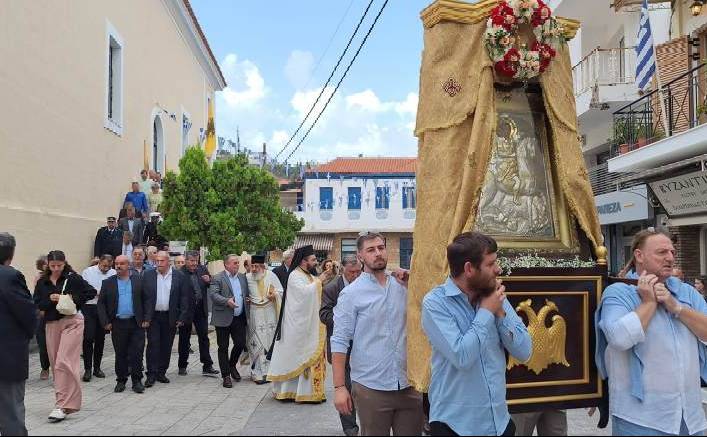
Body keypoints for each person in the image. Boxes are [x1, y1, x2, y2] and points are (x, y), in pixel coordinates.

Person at [596, 229, 707, 436]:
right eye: (662, 252)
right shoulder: (619, 292)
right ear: (639, 255)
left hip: (690, 418)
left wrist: (677, 308)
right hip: (640, 418)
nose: (670, 258)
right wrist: (649, 303)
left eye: (672, 252)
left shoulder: (686, 292)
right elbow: (618, 338)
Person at [422, 232, 532, 436]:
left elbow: (525, 351)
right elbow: (462, 356)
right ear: (469, 269)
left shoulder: (493, 295)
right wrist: (486, 312)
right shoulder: (435, 303)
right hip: (454, 426)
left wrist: (500, 313)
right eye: (490, 264)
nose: (498, 269)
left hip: (499, 423)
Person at [332, 233, 422, 435]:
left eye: (381, 248)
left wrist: (412, 285)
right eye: (371, 250)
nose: (378, 253)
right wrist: (339, 387)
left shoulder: (403, 285)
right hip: (371, 386)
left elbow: (426, 314)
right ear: (360, 256)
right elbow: (339, 341)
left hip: (408, 383)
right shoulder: (351, 294)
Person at [34, 250, 96, 423]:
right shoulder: (42, 282)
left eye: (59, 266)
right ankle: (62, 403)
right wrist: (52, 300)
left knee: (64, 361)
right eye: (52, 266)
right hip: (52, 324)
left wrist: (68, 298)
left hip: (72, 322)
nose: (55, 269)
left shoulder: (73, 278)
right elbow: (38, 303)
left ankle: (64, 404)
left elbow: (90, 292)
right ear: (47, 264)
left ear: (64, 263)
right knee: (56, 364)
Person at [267, 245, 327, 403]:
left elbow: (315, 287)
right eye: (313, 260)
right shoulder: (294, 275)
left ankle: (312, 393)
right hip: (296, 326)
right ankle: (290, 391)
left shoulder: (308, 275)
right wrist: (319, 282)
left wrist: (322, 280)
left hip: (308, 324)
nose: (316, 262)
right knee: (296, 356)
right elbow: (303, 294)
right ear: (303, 261)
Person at [319, 255, 362, 436]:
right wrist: (345, 320)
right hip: (341, 348)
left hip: (362, 346)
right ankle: (350, 427)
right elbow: (324, 314)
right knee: (345, 387)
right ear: (343, 269)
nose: (355, 275)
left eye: (358, 271)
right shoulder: (331, 288)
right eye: (352, 272)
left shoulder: (364, 284)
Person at [0, 233, 38, 436]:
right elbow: (28, 315)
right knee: (11, 415)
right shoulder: (10, 276)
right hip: (7, 358)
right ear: (11, 254)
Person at [97, 255, 150, 394]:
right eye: (116, 264)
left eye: (121, 264)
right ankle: (121, 380)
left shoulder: (139, 280)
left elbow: (147, 300)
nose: (118, 266)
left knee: (137, 353)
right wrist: (105, 322)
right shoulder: (108, 283)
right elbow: (101, 304)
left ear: (129, 265)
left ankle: (137, 381)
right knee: (120, 353)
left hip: (136, 323)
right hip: (118, 324)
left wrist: (147, 318)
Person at [142, 251, 191, 388]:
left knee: (166, 345)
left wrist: (182, 317)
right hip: (154, 316)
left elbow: (184, 298)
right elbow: (143, 297)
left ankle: (161, 372)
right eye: (156, 261)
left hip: (170, 316)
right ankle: (151, 374)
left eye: (161, 261)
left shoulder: (179, 276)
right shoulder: (148, 275)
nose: (158, 264)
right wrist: (145, 317)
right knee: (153, 344)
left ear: (168, 262)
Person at [209, 255, 250, 388]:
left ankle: (232, 365)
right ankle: (226, 375)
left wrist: (247, 300)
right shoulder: (217, 278)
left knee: (240, 343)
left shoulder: (242, 278)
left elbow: (245, 294)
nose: (237, 265)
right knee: (223, 347)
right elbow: (214, 295)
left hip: (239, 317)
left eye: (238, 263)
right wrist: (227, 301)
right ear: (226, 265)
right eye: (234, 263)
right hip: (223, 318)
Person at [178, 251, 218, 377]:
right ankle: (182, 365)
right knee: (184, 339)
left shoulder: (202, 269)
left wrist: (209, 280)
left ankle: (207, 365)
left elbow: (210, 282)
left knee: (204, 337)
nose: (194, 263)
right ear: (186, 260)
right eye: (192, 261)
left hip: (201, 309)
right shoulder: (180, 273)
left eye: (196, 261)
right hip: (186, 311)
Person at [245, 255, 283, 384]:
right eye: (252, 266)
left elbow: (281, 290)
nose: (254, 269)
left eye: (257, 266)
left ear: (262, 266)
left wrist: (275, 294)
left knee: (269, 341)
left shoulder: (271, 275)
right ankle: (256, 373)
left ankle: (270, 372)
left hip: (270, 312)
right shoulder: (247, 278)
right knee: (255, 343)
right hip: (255, 313)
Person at [80, 255, 116, 382]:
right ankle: (87, 369)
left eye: (108, 266)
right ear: (99, 262)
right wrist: (96, 292)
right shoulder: (88, 272)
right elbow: (83, 288)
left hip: (104, 309)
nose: (106, 268)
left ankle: (97, 368)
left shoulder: (113, 273)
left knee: (100, 339)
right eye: (104, 265)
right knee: (88, 337)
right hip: (89, 307)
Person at [33, 255, 51, 380]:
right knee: (43, 344)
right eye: (45, 264)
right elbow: (37, 297)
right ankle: (45, 368)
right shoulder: (39, 278)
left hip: (57, 315)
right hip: (43, 315)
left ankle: (58, 369)